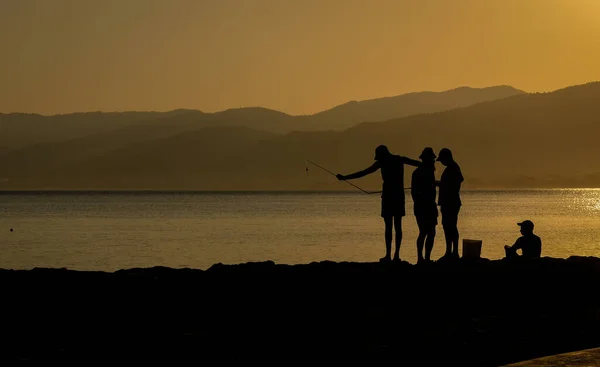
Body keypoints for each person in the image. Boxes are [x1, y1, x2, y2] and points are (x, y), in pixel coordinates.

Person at [337, 145, 420, 262]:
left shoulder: (382, 162)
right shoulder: (399, 159)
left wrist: (345, 177)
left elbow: (364, 172)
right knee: (397, 225)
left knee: (389, 226)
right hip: (398, 196)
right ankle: (395, 255)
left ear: (382, 155)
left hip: (389, 197)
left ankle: (390, 255)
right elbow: (418, 163)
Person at [411, 147, 438, 264]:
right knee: (426, 232)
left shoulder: (424, 172)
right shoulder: (419, 172)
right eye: (431, 159)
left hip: (428, 206)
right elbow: (415, 193)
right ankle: (422, 258)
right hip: (424, 207)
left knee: (428, 232)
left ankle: (424, 258)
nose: (433, 161)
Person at [436, 148, 463, 260]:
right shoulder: (451, 168)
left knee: (451, 226)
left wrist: (441, 184)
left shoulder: (453, 168)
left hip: (451, 202)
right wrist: (440, 184)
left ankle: (453, 252)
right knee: (448, 227)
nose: (441, 162)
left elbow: (455, 183)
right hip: (448, 202)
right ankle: (450, 251)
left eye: (442, 159)